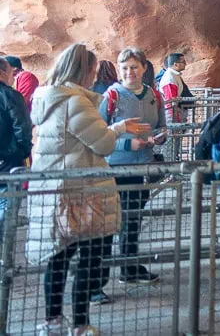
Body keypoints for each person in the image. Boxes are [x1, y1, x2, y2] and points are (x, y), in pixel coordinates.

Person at [27, 43, 149, 336]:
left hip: (54, 189)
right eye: (93, 70)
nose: (96, 76)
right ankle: (80, 323)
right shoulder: (75, 102)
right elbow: (103, 144)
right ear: (83, 70)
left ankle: (53, 321)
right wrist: (118, 129)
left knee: (58, 259)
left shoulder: (45, 98)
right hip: (82, 192)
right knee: (90, 258)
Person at [95, 48, 166, 302]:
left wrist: (159, 137)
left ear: (144, 68)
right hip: (115, 168)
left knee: (133, 220)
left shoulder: (154, 95)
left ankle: (129, 266)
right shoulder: (111, 95)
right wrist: (126, 145)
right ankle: (96, 283)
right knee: (108, 225)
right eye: (125, 67)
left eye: (134, 67)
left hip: (142, 167)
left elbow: (162, 125)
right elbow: (98, 134)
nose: (130, 72)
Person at [0, 57, 32, 231]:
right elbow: (22, 127)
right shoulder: (10, 96)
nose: (13, 77)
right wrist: (22, 152)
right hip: (8, 163)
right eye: (11, 73)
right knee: (6, 216)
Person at [157, 53, 188, 123]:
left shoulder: (174, 75)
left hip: (174, 113)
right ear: (175, 64)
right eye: (183, 62)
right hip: (171, 116)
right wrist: (176, 119)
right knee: (173, 133)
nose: (185, 64)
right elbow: (171, 101)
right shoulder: (170, 79)